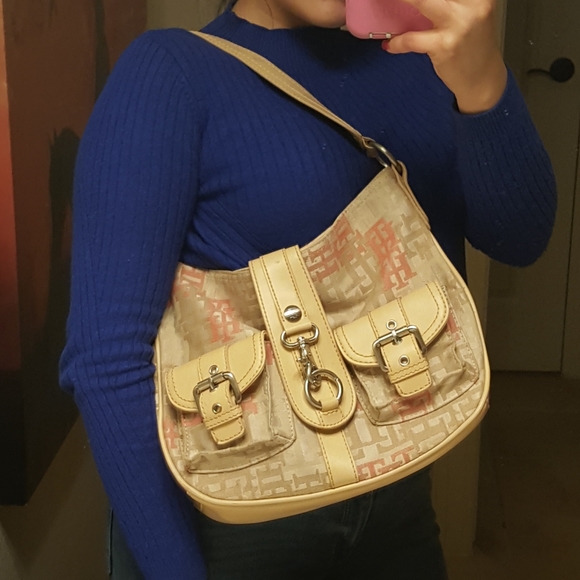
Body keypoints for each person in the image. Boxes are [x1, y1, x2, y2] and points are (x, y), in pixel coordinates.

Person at [59, 0, 557, 578]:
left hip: (397, 489)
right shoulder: (171, 73)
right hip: (232, 525)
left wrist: (484, 79)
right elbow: (106, 359)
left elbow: (520, 239)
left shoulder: (425, 55)